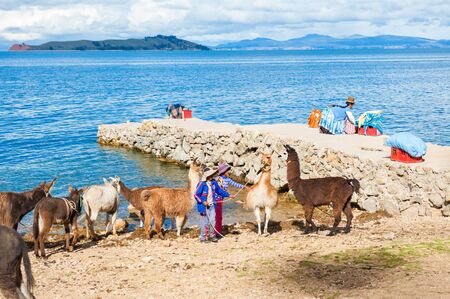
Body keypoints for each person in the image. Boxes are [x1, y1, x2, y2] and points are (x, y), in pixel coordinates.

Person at [194, 167, 231, 243]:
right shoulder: (202, 184)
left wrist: (229, 195)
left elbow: (220, 191)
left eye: (212, 174)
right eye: (210, 175)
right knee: (204, 222)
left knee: (213, 221)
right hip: (204, 207)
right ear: (207, 176)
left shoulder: (214, 182)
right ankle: (203, 238)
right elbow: (196, 195)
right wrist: (203, 201)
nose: (212, 176)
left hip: (212, 205)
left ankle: (212, 236)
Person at [215, 163, 245, 236]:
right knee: (216, 217)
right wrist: (229, 195)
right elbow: (216, 189)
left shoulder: (227, 180)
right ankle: (215, 232)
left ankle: (217, 231)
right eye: (227, 170)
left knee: (218, 217)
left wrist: (243, 186)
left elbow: (235, 184)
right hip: (215, 200)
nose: (228, 172)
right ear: (223, 172)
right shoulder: (217, 179)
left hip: (220, 200)